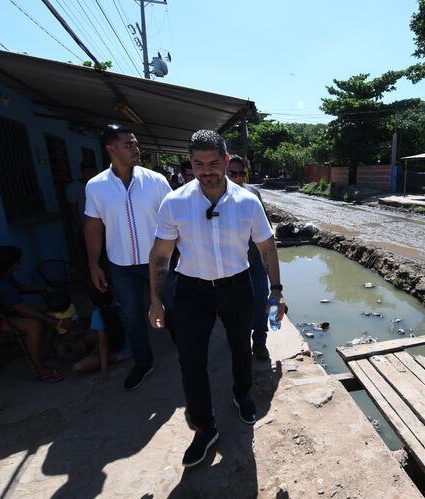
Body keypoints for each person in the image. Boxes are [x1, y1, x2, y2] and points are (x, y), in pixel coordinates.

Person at [148, 130, 286, 468]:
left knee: (241, 347)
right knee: (190, 360)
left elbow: (267, 247)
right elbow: (161, 255)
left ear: (226, 161)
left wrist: (276, 291)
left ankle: (242, 395)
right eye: (198, 164)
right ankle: (205, 426)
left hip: (237, 286)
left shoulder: (247, 202)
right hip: (192, 290)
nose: (206, 171)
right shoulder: (175, 202)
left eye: (213, 163)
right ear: (190, 164)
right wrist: (155, 298)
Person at [84, 124, 172, 391]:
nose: (136, 149)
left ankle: (185, 351)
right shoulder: (96, 186)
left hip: (158, 261)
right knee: (133, 316)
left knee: (174, 306)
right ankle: (143, 363)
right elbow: (93, 226)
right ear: (111, 149)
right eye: (128, 144)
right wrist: (93, 264)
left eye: (135, 143)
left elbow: (174, 220)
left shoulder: (156, 181)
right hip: (121, 265)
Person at [0, 246, 70, 383]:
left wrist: (44, 288)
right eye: (19, 261)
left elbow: (20, 288)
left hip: (5, 313)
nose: (20, 263)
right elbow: (23, 310)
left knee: (47, 311)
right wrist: (57, 322)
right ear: (14, 264)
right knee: (35, 324)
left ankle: (44, 352)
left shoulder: (4, 275)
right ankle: (40, 370)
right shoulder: (1, 284)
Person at [226, 155, 271, 360]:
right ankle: (239, 340)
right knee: (236, 305)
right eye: (232, 173)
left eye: (240, 173)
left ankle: (260, 340)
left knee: (261, 299)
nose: (236, 178)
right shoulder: (217, 198)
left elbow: (266, 231)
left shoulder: (253, 194)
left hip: (255, 260)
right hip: (231, 264)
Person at [72, 287, 131, 384]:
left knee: (77, 367)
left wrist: (104, 370)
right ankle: (94, 353)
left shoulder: (97, 314)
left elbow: (103, 343)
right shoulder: (119, 305)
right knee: (90, 341)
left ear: (92, 303)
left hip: (122, 352)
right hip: (129, 346)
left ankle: (98, 357)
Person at [66, 161, 97, 261]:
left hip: (101, 226)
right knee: (89, 255)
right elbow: (73, 210)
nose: (89, 173)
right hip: (86, 227)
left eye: (91, 170)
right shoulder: (73, 187)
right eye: (86, 170)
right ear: (82, 172)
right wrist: (81, 228)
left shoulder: (98, 185)